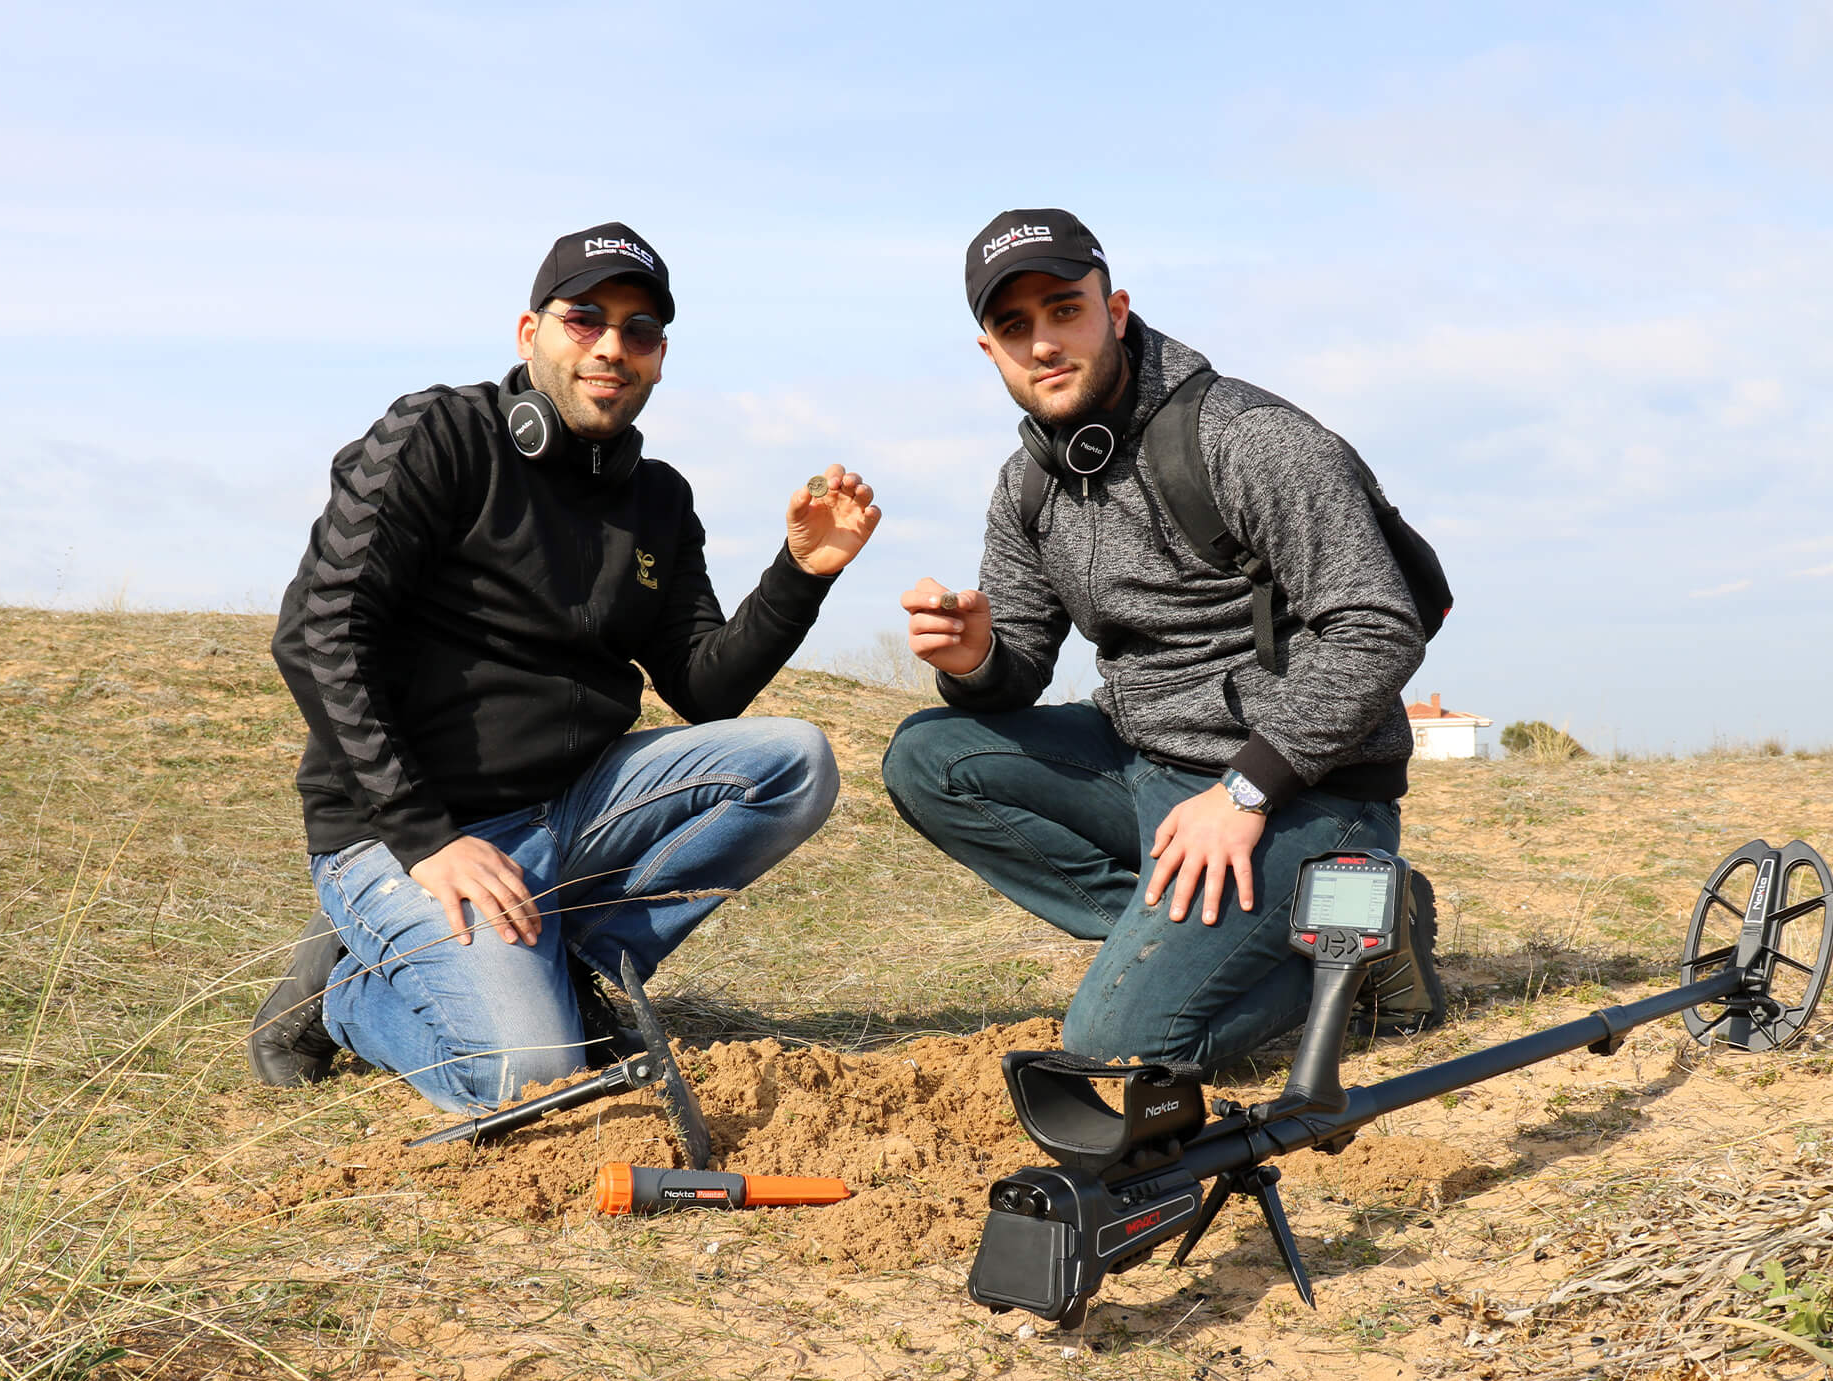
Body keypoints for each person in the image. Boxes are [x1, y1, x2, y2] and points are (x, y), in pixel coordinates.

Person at [251, 222, 881, 1111]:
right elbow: (319, 632)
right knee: (529, 1076)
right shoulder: (437, 435)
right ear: (529, 333)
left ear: (660, 357)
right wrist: (427, 839)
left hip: (569, 810)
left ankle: (576, 968)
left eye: (640, 330)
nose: (612, 347)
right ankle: (348, 993)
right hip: (405, 834)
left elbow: (705, 687)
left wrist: (801, 575)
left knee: (794, 762)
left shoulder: (659, 499)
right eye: (585, 319)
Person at [882, 208, 1439, 1069]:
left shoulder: (1249, 439)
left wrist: (1244, 793)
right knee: (930, 756)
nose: (1043, 343)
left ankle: (1360, 934)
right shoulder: (1027, 483)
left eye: (1065, 310)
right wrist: (976, 661)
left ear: (1116, 311)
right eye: (1014, 327)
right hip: (1145, 763)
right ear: (990, 351)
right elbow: (1018, 666)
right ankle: (1189, 938)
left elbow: (1378, 625)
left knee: (1118, 1046)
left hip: (1305, 788)